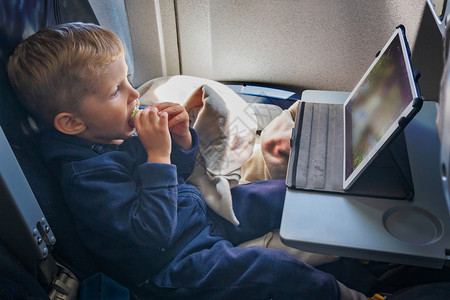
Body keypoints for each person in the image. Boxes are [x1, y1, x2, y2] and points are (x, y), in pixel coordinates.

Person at [7, 22, 373, 299]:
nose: (135, 94)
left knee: (276, 193)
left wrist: (181, 140)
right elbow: (154, 231)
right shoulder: (85, 181)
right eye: (117, 90)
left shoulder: (109, 132)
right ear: (72, 123)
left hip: (194, 217)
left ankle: (363, 224)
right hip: (172, 266)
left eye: (129, 80)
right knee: (269, 269)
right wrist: (158, 154)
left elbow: (177, 177)